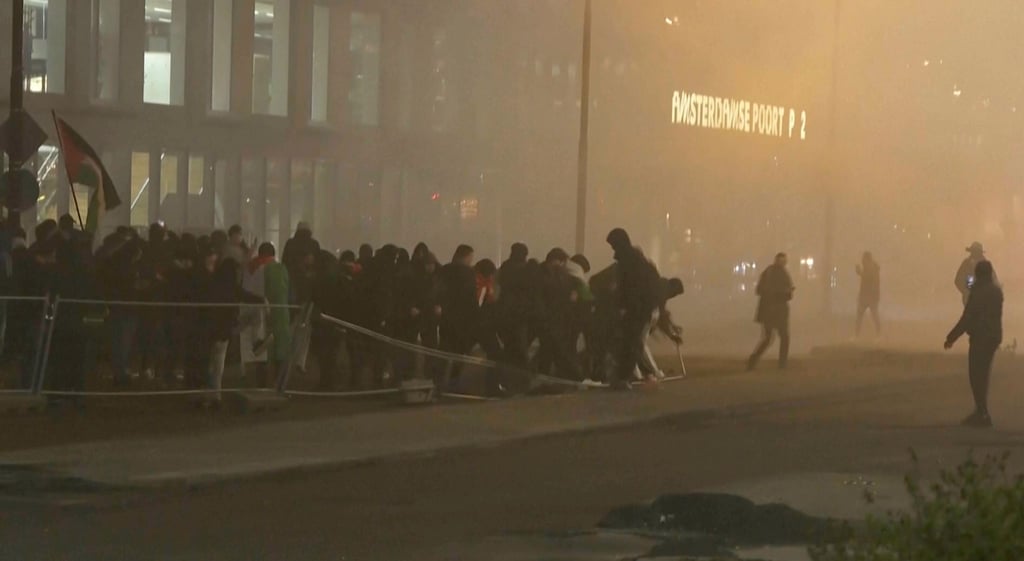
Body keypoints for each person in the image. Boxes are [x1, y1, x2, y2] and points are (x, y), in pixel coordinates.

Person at [944, 260, 1002, 428]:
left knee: (976, 375)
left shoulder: (978, 291)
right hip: (993, 337)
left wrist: (952, 337)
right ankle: (982, 411)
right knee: (983, 374)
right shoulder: (996, 291)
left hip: (980, 338)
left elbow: (968, 318)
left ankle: (981, 412)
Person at [606, 228, 663, 390]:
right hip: (641, 308)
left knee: (630, 343)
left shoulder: (628, 262)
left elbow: (629, 287)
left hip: (635, 309)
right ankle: (642, 376)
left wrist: (623, 306)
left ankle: (627, 378)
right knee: (632, 343)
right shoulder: (640, 261)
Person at [748, 252, 795, 371]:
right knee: (781, 337)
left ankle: (754, 359)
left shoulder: (770, 273)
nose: (783, 263)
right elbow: (785, 294)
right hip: (775, 311)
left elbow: (759, 290)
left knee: (769, 338)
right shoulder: (779, 274)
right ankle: (781, 364)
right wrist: (785, 293)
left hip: (770, 311)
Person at [438, 245, 477, 389]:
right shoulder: (469, 273)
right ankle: (454, 384)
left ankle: (438, 382)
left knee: (443, 351)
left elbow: (438, 291)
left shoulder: (445, 270)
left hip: (446, 318)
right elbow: (471, 298)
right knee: (459, 353)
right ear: (466, 256)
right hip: (462, 319)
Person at [855, 252, 881, 337]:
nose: (862, 261)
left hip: (869, 297)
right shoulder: (871, 268)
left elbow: (868, 279)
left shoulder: (871, 268)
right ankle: (878, 335)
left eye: (863, 259)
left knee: (866, 316)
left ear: (867, 259)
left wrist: (860, 273)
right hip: (868, 296)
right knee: (870, 316)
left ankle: (857, 336)